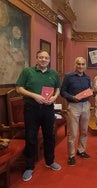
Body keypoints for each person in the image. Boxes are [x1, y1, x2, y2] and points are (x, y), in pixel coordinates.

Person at [16, 50, 61, 181]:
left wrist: (55, 97)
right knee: (31, 137)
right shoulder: (27, 72)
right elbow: (19, 88)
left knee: (50, 136)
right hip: (31, 109)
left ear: (49, 59)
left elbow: (57, 88)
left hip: (48, 109)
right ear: (36, 59)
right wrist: (34, 95)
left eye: (46, 58)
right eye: (41, 57)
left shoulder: (54, 73)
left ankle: (50, 161)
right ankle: (29, 167)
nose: (44, 60)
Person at [60, 57, 92, 166]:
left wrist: (93, 92)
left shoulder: (87, 78)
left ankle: (81, 150)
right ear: (75, 64)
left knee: (84, 131)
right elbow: (62, 92)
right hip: (73, 106)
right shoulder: (68, 77)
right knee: (72, 133)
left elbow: (89, 90)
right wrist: (72, 97)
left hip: (86, 106)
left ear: (85, 66)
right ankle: (71, 155)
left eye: (83, 64)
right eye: (79, 64)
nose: (81, 66)